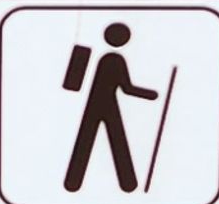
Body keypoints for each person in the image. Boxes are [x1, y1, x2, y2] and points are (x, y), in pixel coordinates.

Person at [60, 19, 162, 194]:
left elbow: (74, 83)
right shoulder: (114, 59)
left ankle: (73, 183)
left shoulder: (106, 58)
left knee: (89, 141)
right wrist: (151, 95)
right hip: (106, 105)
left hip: (97, 105)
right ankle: (127, 184)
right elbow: (127, 88)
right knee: (115, 141)